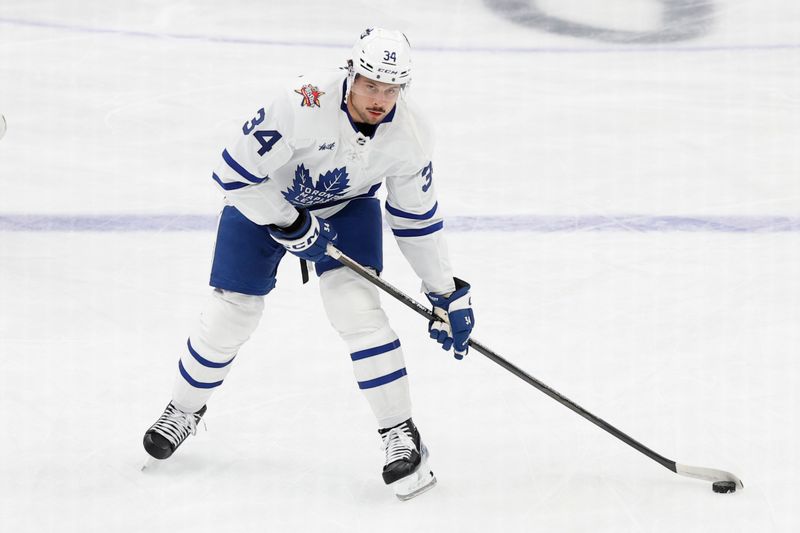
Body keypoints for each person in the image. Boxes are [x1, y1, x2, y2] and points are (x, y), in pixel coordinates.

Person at [142, 27, 475, 501]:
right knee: (230, 314)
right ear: (351, 73)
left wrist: (444, 291)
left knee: (357, 311)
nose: (380, 99)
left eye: (391, 88)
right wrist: (290, 221)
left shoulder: (412, 133)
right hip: (263, 202)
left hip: (346, 207)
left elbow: (416, 219)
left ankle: (401, 435)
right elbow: (232, 175)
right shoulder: (301, 101)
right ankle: (182, 410)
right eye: (370, 84)